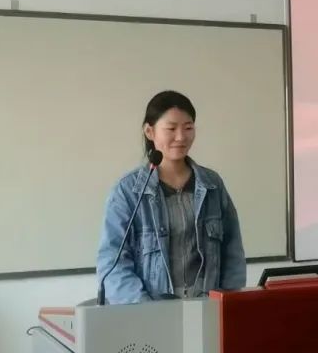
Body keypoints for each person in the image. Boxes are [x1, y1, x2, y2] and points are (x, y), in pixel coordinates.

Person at [96, 91, 246, 303]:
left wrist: (228, 303)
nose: (181, 137)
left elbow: (233, 253)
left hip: (208, 309)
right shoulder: (128, 191)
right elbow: (112, 263)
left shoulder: (212, 185)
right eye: (171, 128)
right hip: (150, 312)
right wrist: (146, 310)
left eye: (188, 128)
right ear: (149, 131)